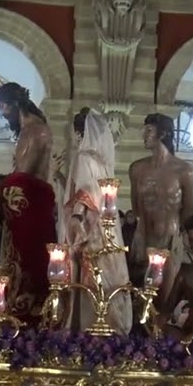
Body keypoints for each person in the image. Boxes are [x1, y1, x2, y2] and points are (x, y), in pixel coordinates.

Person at [0, 80, 57, 319]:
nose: (2, 115)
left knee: (26, 264)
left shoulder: (33, 130)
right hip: (29, 204)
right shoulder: (34, 129)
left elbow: (21, 176)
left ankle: (22, 314)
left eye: (3, 108)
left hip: (30, 207)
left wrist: (0, 190)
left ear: (15, 105)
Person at [63, 107, 132, 334]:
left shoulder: (82, 157)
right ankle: (110, 326)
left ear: (79, 133)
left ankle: (84, 327)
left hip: (88, 225)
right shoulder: (101, 162)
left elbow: (85, 192)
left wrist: (76, 217)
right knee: (106, 275)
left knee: (88, 276)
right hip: (105, 226)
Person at [128, 113, 193, 311]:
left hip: (170, 238)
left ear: (163, 133)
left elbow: (189, 209)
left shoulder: (184, 170)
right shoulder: (137, 169)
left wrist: (176, 233)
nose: (144, 135)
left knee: (164, 299)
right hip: (143, 236)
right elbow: (136, 205)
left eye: (149, 130)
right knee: (140, 298)